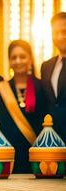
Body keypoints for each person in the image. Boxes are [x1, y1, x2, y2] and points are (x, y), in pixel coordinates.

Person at [0, 40, 46, 173]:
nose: (18, 61)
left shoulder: (42, 87)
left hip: (37, 154)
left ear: (30, 59)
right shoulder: (1, 89)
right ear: (9, 61)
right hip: (10, 155)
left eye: (22, 56)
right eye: (14, 57)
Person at [41, 12, 66, 142]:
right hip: (53, 140)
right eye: (55, 32)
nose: (60, 36)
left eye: (64, 31)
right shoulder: (46, 66)